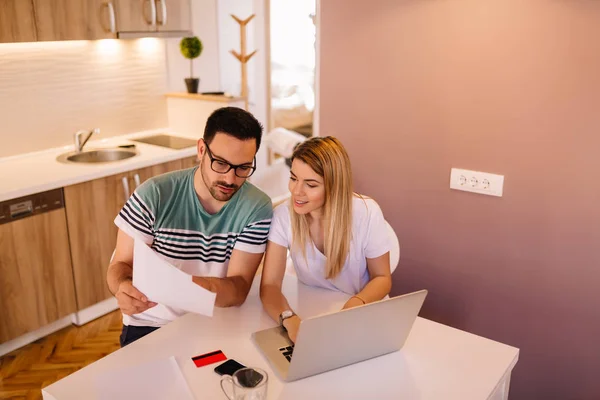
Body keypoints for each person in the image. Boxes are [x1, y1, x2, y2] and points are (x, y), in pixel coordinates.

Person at [107, 107, 273, 347]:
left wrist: (191, 288)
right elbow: (120, 264)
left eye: (243, 168)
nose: (230, 179)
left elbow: (238, 289)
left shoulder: (257, 208)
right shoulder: (153, 195)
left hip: (216, 320)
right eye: (221, 164)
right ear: (201, 150)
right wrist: (122, 287)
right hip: (150, 323)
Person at [260, 136, 394, 343]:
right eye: (293, 178)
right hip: (313, 311)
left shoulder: (367, 213)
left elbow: (382, 279)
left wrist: (353, 305)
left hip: (364, 313)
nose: (296, 191)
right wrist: (288, 318)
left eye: (310, 185)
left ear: (334, 186)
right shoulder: (283, 216)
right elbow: (269, 285)